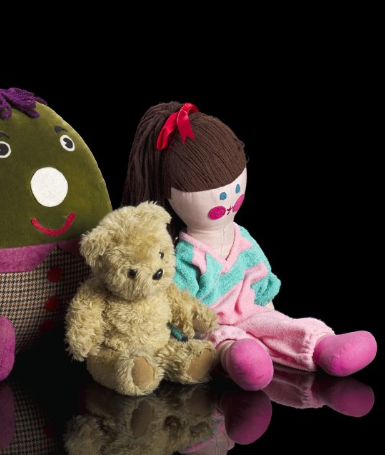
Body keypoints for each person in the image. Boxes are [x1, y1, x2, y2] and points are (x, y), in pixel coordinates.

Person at [121, 102, 376, 391]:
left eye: (235, 189)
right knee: (223, 341)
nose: (230, 201)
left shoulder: (240, 236)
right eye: (220, 196)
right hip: (211, 324)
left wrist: (267, 306)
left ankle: (323, 345)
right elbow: (179, 306)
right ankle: (238, 359)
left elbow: (258, 271)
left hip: (252, 311)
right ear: (169, 194)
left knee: (280, 325)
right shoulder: (187, 256)